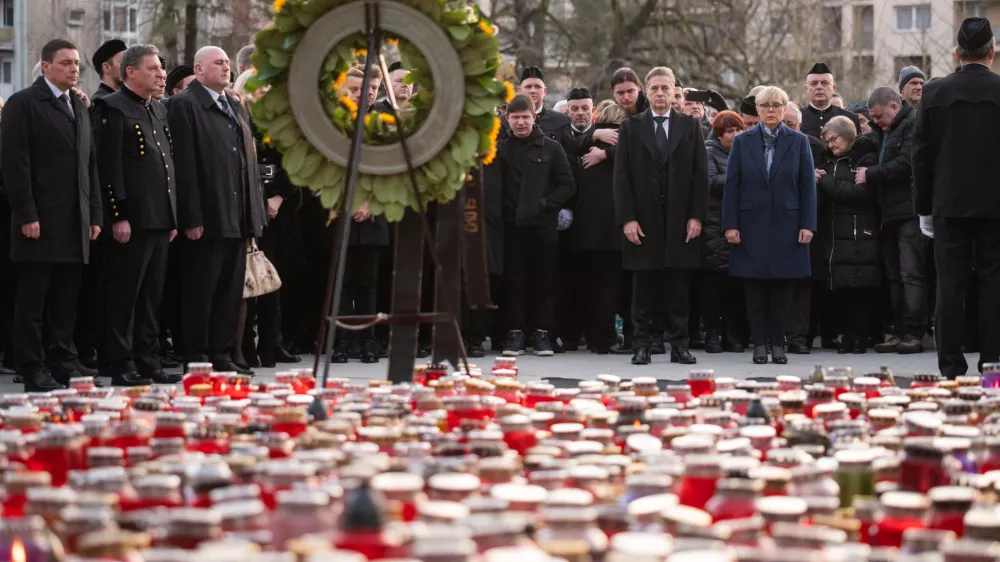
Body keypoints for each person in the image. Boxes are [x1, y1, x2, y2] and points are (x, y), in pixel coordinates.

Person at [2, 39, 102, 391]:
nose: (74, 69)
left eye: (76, 63)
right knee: (33, 301)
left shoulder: (78, 105)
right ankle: (32, 367)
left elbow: (89, 166)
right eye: (65, 63)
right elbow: (15, 164)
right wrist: (26, 213)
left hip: (74, 222)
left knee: (65, 301)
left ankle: (62, 363)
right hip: (39, 222)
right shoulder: (24, 103)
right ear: (45, 66)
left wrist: (94, 216)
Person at [168, 46, 266, 374]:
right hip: (207, 219)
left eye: (227, 62)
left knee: (229, 292)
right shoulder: (185, 105)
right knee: (201, 291)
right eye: (218, 63)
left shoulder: (234, 105)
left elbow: (247, 162)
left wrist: (253, 215)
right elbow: (184, 166)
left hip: (237, 217)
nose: (226, 68)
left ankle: (221, 354)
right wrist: (192, 217)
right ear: (198, 69)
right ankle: (197, 356)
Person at [913, 17, 1000, 377]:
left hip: (948, 204)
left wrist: (924, 208)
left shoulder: (934, 93)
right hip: (996, 206)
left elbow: (921, 155)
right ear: (991, 52)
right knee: (994, 285)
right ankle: (993, 366)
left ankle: (950, 368)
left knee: (949, 285)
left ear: (957, 53)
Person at [92, 44, 182, 387]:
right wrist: (118, 215)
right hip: (131, 220)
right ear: (130, 72)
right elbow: (108, 166)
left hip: (159, 219)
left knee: (151, 297)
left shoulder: (157, 108)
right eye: (153, 69)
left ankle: (148, 360)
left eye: (161, 69)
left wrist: (171, 217)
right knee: (124, 295)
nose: (161, 74)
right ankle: (120, 362)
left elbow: (166, 166)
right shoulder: (111, 107)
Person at [613, 66, 708, 366]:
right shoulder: (631, 127)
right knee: (643, 288)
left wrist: (696, 216)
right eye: (654, 88)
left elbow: (700, 175)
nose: (660, 94)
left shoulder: (690, 126)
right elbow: (621, 177)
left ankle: (680, 346)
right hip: (643, 220)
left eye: (665, 88)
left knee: (678, 288)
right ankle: (642, 344)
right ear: (646, 91)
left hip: (680, 220)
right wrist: (627, 218)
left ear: (674, 91)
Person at [722, 86, 817, 365]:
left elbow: (807, 186)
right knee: (755, 290)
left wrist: (808, 225)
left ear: (785, 108)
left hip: (789, 225)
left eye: (777, 105)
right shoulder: (742, 141)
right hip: (750, 224)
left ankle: (778, 344)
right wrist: (731, 225)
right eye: (765, 105)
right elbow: (732, 186)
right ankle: (759, 344)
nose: (771, 110)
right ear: (758, 110)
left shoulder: (799, 141)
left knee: (783, 291)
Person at [487, 94, 575, 357]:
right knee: (514, 282)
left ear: (534, 117)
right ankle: (514, 333)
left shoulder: (551, 148)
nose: (521, 122)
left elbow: (567, 184)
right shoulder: (500, 149)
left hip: (542, 227)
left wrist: (545, 203)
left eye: (525, 117)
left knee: (544, 281)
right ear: (507, 119)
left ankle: (542, 334)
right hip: (511, 227)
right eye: (515, 117)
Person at [232, 70, 303, 368]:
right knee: (250, 280)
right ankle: (246, 345)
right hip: (248, 212)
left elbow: (294, 164)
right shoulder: (237, 119)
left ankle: (272, 343)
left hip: (278, 214)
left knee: (274, 280)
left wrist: (279, 197)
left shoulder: (282, 124)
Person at [859, 87, 926, 355]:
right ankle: (898, 331)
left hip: (908, 212)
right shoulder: (883, 129)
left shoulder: (913, 124)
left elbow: (907, 163)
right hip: (887, 212)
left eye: (878, 116)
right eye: (872, 117)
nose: (875, 121)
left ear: (894, 107)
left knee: (911, 275)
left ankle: (914, 333)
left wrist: (871, 174)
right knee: (894, 277)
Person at [563, 93, 624, 354]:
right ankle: (603, 338)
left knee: (583, 286)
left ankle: (576, 336)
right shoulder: (615, 144)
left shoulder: (587, 145)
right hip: (610, 229)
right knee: (606, 286)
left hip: (583, 229)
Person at [815, 116, 881, 354]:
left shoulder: (866, 158)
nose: (830, 144)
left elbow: (858, 193)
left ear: (848, 135)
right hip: (835, 233)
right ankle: (845, 336)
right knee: (840, 286)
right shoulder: (827, 160)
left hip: (859, 231)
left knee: (859, 286)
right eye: (827, 140)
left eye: (834, 139)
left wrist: (825, 181)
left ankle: (860, 336)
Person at [702, 110, 747, 354]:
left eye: (738, 129)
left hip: (740, 224)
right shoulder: (709, 152)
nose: (735, 134)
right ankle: (712, 334)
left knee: (734, 286)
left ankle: (731, 334)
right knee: (713, 286)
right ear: (719, 134)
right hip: (714, 225)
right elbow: (710, 182)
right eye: (729, 131)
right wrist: (740, 176)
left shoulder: (745, 151)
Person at [800, 62, 860, 139]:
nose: (819, 87)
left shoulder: (850, 118)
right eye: (814, 83)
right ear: (806, 88)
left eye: (825, 83)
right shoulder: (797, 117)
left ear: (833, 87)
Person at [513, 66, 570, 140]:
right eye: (528, 87)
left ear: (544, 91)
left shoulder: (561, 121)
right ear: (519, 90)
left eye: (537, 87)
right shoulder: (504, 122)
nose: (533, 91)